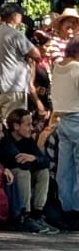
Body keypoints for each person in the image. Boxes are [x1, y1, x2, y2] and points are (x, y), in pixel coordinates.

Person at [0, 109, 57, 234]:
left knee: (43, 172)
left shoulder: (28, 140)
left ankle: (37, 214)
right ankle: (24, 215)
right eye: (28, 125)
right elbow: (18, 160)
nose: (31, 128)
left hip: (26, 171)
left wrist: (34, 158)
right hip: (7, 175)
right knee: (23, 172)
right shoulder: (6, 139)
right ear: (16, 126)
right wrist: (33, 161)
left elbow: (45, 161)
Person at [0, 2, 40, 117]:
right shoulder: (15, 34)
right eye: (20, 14)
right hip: (15, 87)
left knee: (6, 121)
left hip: (1, 86)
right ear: (15, 16)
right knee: (16, 124)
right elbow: (37, 55)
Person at [50, 36, 79, 215]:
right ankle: (77, 207)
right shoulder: (77, 68)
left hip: (63, 118)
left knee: (65, 167)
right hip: (77, 116)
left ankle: (65, 206)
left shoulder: (57, 67)